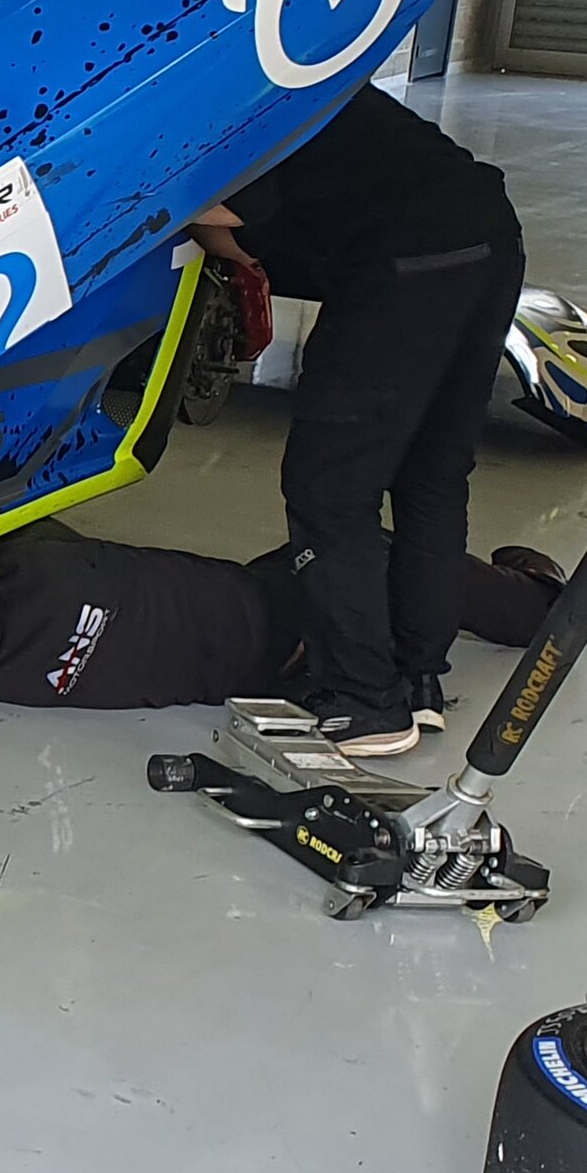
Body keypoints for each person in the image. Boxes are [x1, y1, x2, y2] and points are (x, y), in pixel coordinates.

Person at [194, 84, 528, 756]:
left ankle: (362, 700)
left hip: (402, 260)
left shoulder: (216, 99)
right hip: (488, 233)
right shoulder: (288, 57)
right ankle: (417, 678)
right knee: (432, 473)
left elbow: (221, 215)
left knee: (328, 490)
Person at [0, 526, 560, 711]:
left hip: (268, 681)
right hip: (290, 614)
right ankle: (536, 606)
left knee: (296, 559)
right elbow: (22, 513)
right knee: (368, 549)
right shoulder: (44, 569)